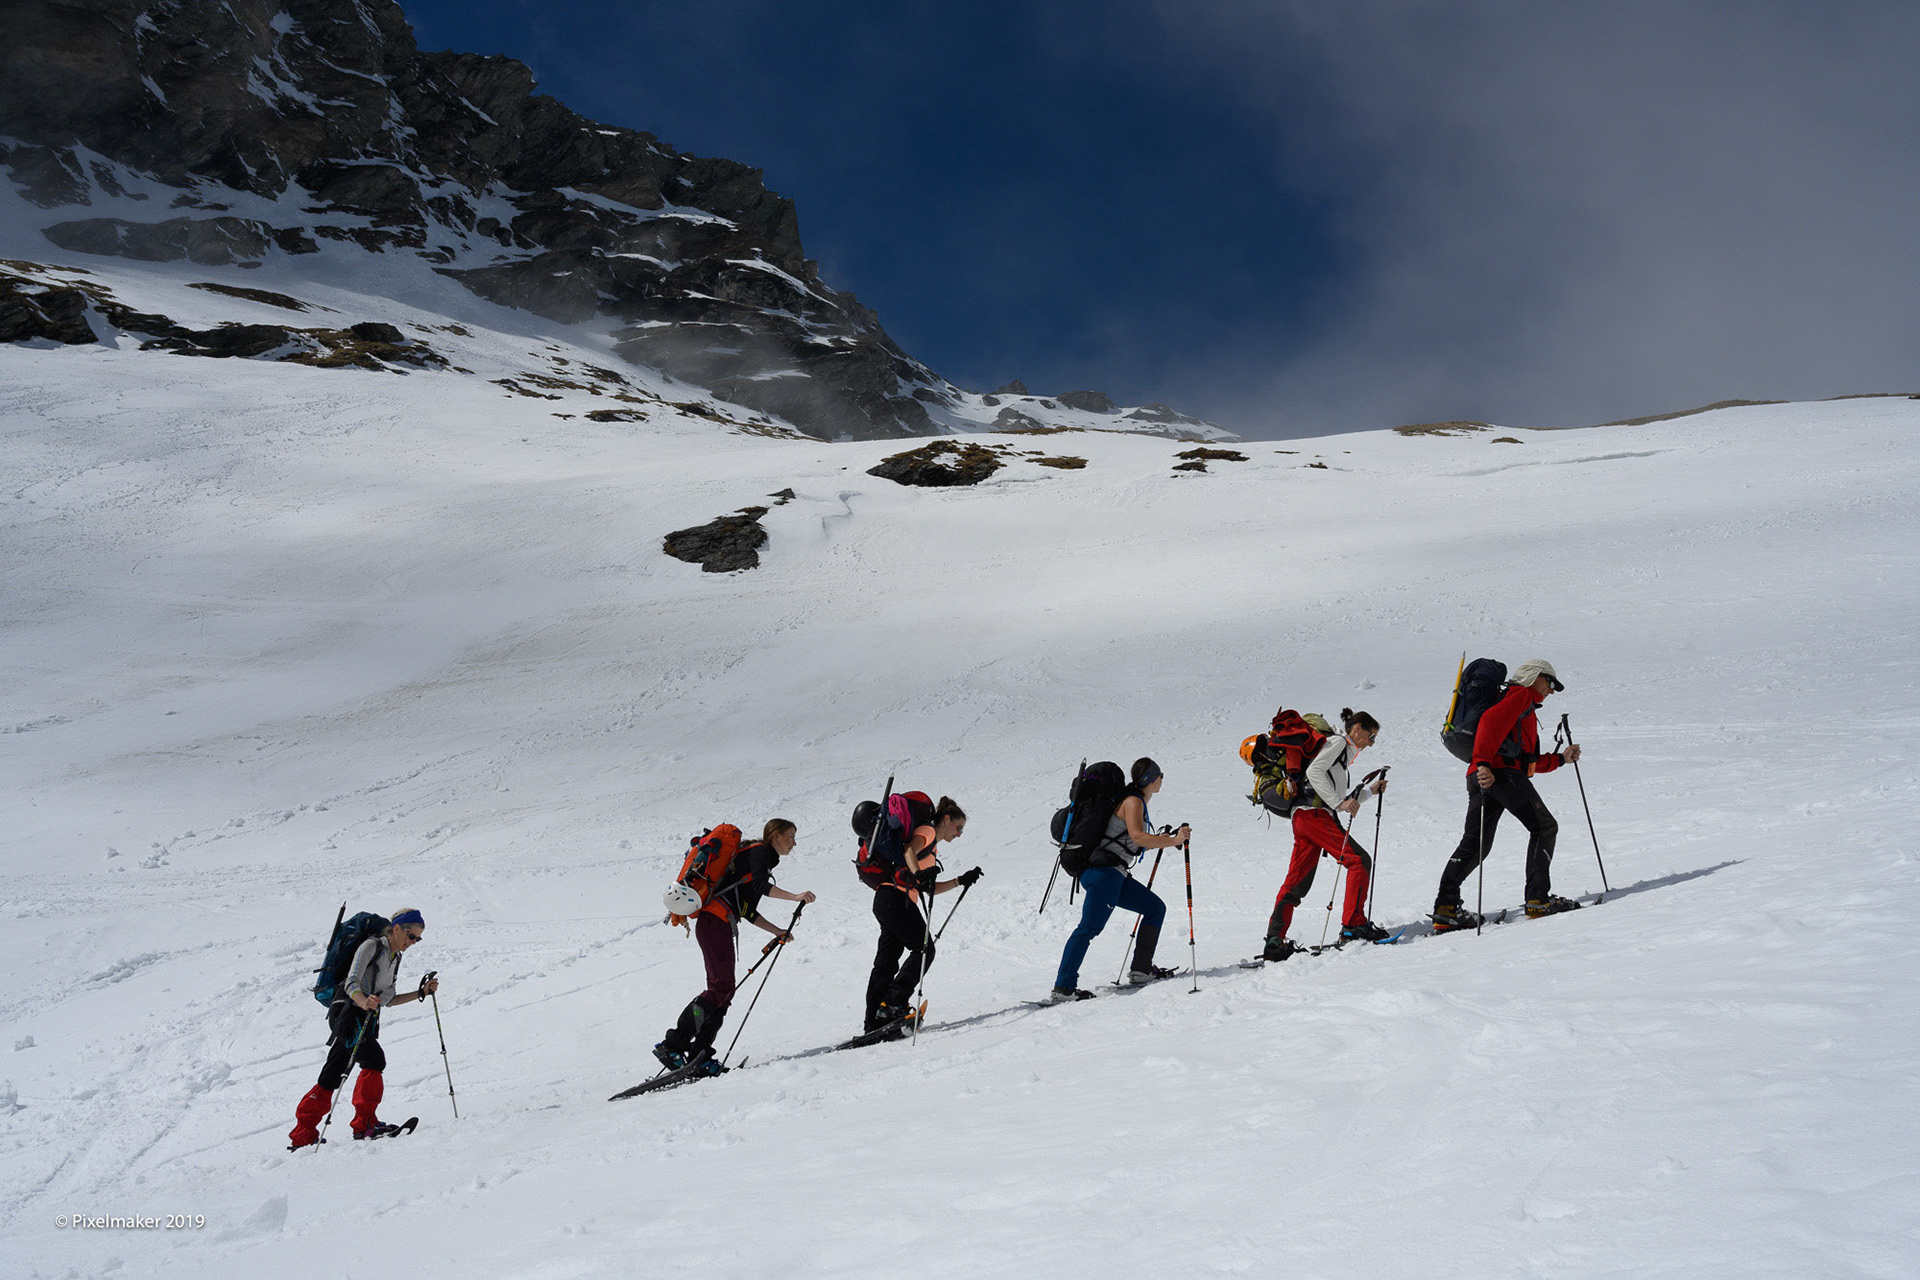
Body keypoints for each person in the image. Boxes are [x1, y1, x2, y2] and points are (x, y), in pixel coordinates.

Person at [1431, 658, 1583, 929]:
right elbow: (1490, 722)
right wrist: (1486, 763)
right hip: (1498, 774)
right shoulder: (1521, 694)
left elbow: (1527, 760)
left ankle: (1446, 907)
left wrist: (1561, 759)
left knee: (1476, 843)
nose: (1550, 690)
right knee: (1545, 827)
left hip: (1482, 775)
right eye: (1549, 682)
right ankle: (1538, 900)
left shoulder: (1519, 705)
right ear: (1534, 676)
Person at [654, 820, 817, 1071]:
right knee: (720, 990)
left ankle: (700, 1055)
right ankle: (673, 1044)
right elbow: (762, 887)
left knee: (724, 992)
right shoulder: (760, 852)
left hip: (717, 924)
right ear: (776, 835)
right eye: (791, 836)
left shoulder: (755, 858)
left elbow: (746, 910)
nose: (794, 843)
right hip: (714, 923)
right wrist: (795, 897)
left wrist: (778, 932)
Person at [289, 909, 440, 1147]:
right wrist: (363, 1001)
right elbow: (351, 982)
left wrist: (421, 993)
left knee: (333, 1071)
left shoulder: (395, 957)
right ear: (398, 928)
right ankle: (365, 1125)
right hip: (349, 1013)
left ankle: (302, 1134)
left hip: (366, 1016)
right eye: (412, 937)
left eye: (418, 939)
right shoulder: (372, 946)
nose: (413, 943)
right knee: (374, 1060)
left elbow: (389, 999)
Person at [1048, 758, 1191, 1002]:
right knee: (1088, 929)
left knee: (1154, 908)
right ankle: (1064, 987)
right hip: (1104, 874)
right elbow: (1138, 836)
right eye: (1160, 774)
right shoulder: (1133, 801)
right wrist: (1173, 841)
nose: (1162, 779)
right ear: (1150, 778)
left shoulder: (1135, 801)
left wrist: (1162, 839)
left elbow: (1131, 842)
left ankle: (1141, 970)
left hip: (1114, 874)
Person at [1261, 710, 1391, 960]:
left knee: (1297, 881)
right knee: (1359, 861)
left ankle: (1274, 942)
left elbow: (1332, 794)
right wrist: (1338, 803)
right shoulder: (1339, 742)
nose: (1371, 743)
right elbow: (1315, 774)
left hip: (1304, 817)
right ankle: (1353, 925)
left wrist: (1369, 793)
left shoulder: (1341, 754)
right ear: (1357, 728)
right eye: (1371, 736)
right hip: (1314, 815)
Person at [865, 797, 981, 1034]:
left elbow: (928, 889)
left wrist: (959, 881)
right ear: (946, 819)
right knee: (925, 949)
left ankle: (874, 1020)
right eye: (958, 827)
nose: (959, 834)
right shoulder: (927, 831)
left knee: (886, 964)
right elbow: (909, 851)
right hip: (896, 900)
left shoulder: (932, 847)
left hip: (889, 900)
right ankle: (893, 1004)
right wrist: (919, 874)